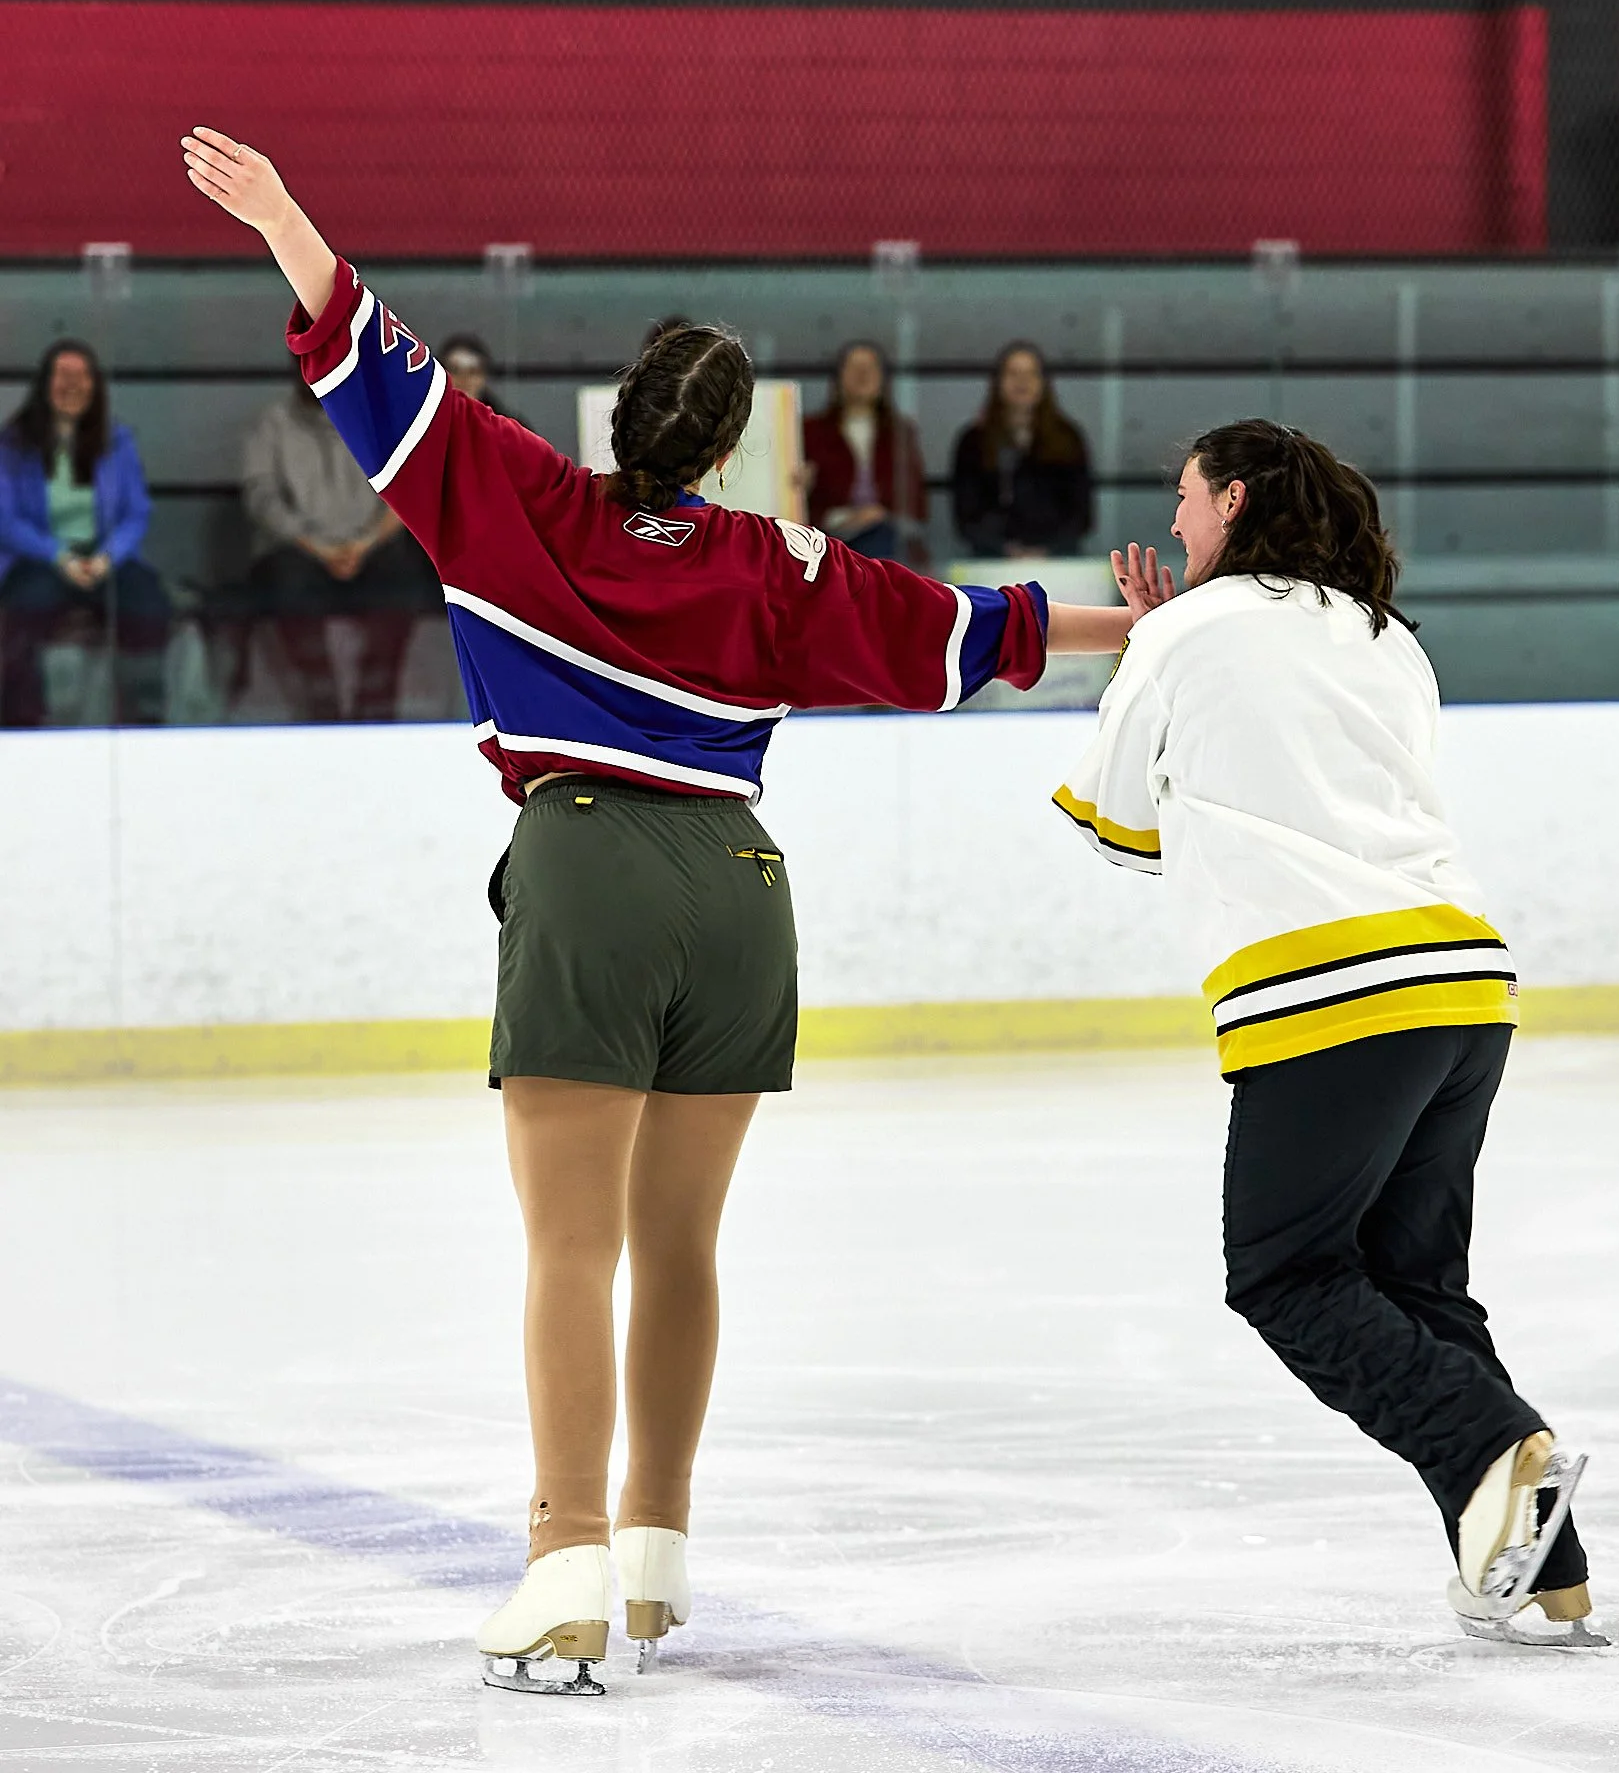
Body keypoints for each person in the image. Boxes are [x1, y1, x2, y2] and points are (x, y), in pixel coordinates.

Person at [179, 124, 1140, 1694]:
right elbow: (977, 630)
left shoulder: (516, 497)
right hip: (742, 889)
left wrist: (284, 210)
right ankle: (652, 1556)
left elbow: (362, 353)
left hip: (592, 865)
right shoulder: (786, 563)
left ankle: (560, 1558)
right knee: (678, 1243)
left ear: (621, 419)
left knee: (568, 1245)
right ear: (727, 447)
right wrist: (1142, 627)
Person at [1056, 420, 1602, 1650]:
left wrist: (1144, 649)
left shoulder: (1181, 631)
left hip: (1328, 994)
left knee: (1287, 1271)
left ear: (1233, 498)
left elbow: (1113, 825)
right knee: (1415, 1284)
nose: (1176, 523)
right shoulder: (1385, 637)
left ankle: (1495, 1449)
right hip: (1463, 988)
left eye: (1186, 500)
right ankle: (1548, 1575)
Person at [243, 359, 443, 724]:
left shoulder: (378, 418)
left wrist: (366, 543)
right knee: (284, 579)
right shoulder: (273, 424)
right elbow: (262, 497)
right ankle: (320, 699)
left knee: (405, 576)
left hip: (370, 546)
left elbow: (404, 487)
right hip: (302, 549)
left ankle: (377, 698)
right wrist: (314, 545)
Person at [0, 340, 171, 727]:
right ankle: (22, 717)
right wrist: (59, 557)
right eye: (63, 375)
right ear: (45, 383)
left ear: (95, 386)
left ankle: (143, 713)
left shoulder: (118, 441)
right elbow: (6, 519)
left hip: (103, 556)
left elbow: (137, 511)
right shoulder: (12, 445)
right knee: (25, 607)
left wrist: (108, 556)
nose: (72, 384)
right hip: (41, 557)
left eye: (81, 376)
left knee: (148, 605)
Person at [951, 342, 1093, 557]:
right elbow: (966, 515)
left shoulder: (1068, 438)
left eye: (1031, 374)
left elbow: (1081, 514)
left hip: (1058, 559)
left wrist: (1046, 551)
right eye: (1013, 373)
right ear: (998, 382)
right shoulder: (974, 441)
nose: (1022, 382)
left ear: (1044, 382)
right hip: (992, 560)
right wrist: (1005, 549)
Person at [802, 341, 926, 563]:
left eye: (870, 368)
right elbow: (803, 498)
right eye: (854, 368)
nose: (863, 375)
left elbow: (914, 499)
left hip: (884, 531)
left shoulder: (899, 432)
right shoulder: (812, 430)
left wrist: (880, 513)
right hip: (828, 533)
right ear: (838, 378)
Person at [437, 335, 530, 429]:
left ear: (484, 377)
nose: (464, 379)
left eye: (473, 372)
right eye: (455, 370)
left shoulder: (510, 430)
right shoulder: (426, 425)